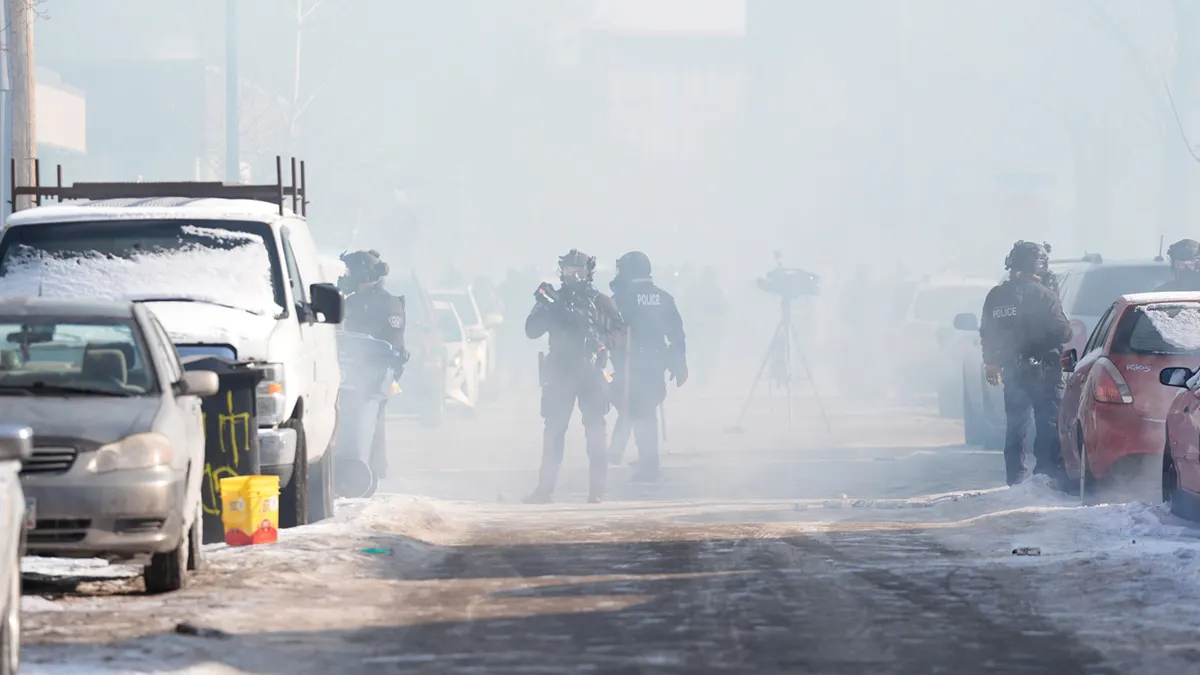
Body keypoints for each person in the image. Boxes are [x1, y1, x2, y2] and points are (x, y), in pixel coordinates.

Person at [524, 249, 626, 504]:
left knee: (595, 433)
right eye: (569, 271)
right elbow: (531, 330)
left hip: (591, 373)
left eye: (578, 271)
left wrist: (602, 341)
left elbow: (621, 332)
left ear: (587, 272)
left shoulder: (599, 301)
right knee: (554, 432)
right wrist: (552, 312)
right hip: (560, 372)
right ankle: (544, 490)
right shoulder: (552, 299)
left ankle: (597, 491)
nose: (573, 276)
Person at [980, 241, 1072, 487]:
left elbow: (987, 333)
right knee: (1048, 422)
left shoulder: (996, 295)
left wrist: (991, 363)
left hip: (1012, 369)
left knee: (1016, 425)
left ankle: (1015, 477)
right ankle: (1046, 475)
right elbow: (1064, 333)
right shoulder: (1044, 295)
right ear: (1038, 265)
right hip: (1045, 370)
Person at [606, 251, 687, 482]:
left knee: (639, 411)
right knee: (639, 408)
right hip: (655, 363)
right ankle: (627, 454)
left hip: (630, 364)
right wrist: (679, 363)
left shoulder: (622, 298)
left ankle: (648, 464)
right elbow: (677, 335)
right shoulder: (663, 297)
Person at [338, 249, 410, 481]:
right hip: (349, 371)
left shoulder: (387, 303)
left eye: (351, 271)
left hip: (376, 374)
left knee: (371, 419)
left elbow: (392, 346)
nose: (347, 276)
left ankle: (372, 471)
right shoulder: (350, 302)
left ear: (364, 273)